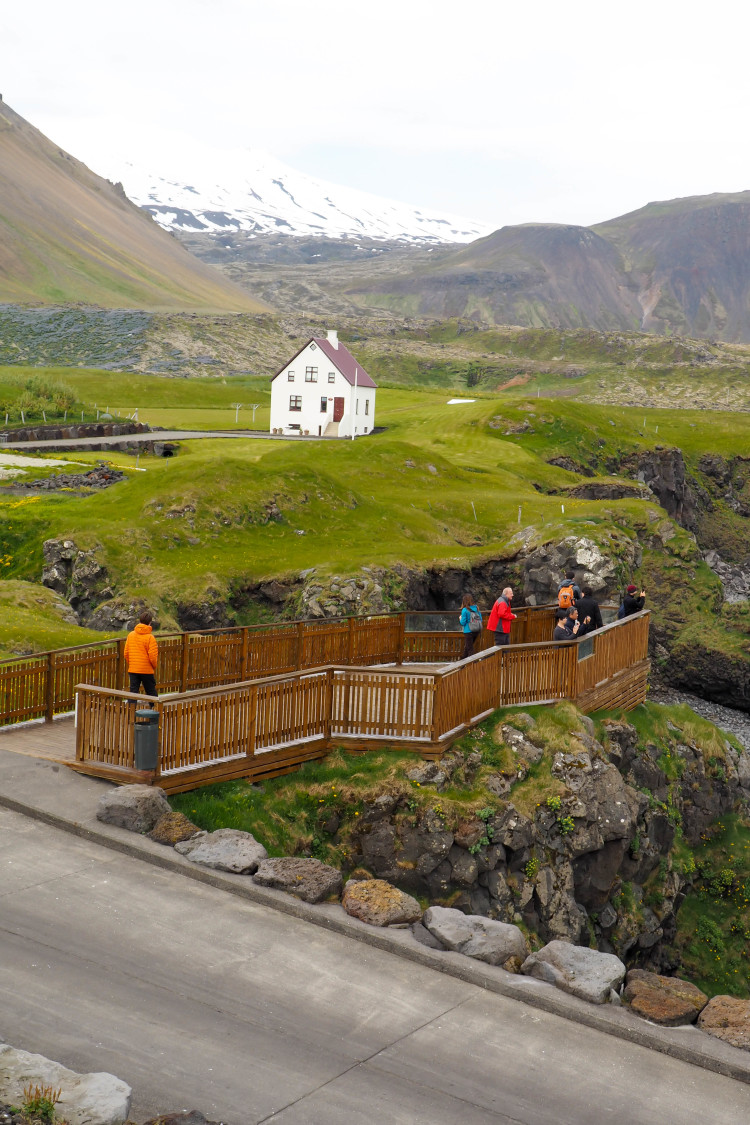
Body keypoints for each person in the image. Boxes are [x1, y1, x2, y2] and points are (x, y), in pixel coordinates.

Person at [124, 610, 159, 703]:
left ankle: (130, 714)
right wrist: (153, 666)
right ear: (150, 623)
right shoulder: (150, 638)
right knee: (151, 691)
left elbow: (126, 653)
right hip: (146, 669)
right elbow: (152, 656)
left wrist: (132, 664)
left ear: (139, 621)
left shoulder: (131, 635)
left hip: (133, 669)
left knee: (133, 693)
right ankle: (155, 712)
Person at [459, 594, 482, 659]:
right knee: (467, 647)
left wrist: (460, 618)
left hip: (468, 631)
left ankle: (471, 665)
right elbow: (480, 619)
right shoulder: (476, 608)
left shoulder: (465, 610)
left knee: (470, 649)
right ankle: (462, 662)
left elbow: (463, 622)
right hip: (476, 631)